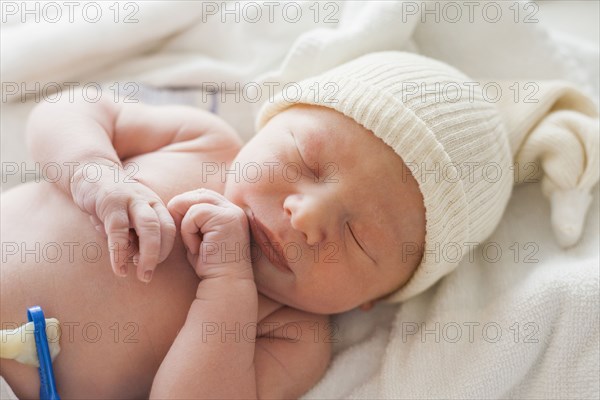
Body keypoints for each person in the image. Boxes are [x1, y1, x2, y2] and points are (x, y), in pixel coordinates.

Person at [1, 51, 597, 399]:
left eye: (360, 238)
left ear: (376, 298)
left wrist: (227, 290)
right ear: (270, 124)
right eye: (305, 162)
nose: (306, 215)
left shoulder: (294, 335)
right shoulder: (204, 142)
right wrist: (95, 176)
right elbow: (72, 108)